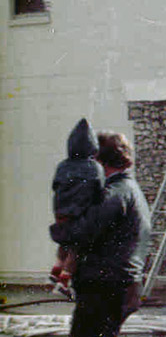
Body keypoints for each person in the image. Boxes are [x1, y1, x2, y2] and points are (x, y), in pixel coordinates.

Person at [50, 131, 158, 337]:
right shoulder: (130, 189)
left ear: (98, 161)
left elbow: (85, 229)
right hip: (121, 286)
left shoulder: (115, 192)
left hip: (105, 286)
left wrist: (61, 229)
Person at [49, 118, 106, 297]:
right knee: (78, 247)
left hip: (61, 212)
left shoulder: (62, 166)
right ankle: (64, 282)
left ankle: (55, 271)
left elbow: (55, 186)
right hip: (81, 214)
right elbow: (99, 192)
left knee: (65, 242)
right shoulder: (94, 167)